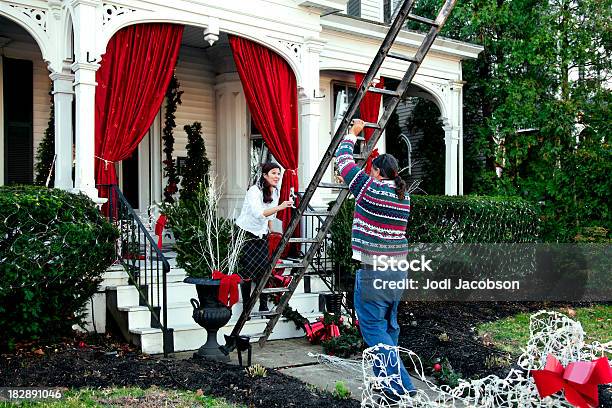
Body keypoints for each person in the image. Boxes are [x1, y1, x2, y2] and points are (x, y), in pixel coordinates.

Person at [335, 119, 417, 400]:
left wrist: (352, 134)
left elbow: (342, 161)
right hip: (397, 271)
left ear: (379, 173)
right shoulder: (403, 196)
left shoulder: (370, 189)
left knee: (372, 329)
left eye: (371, 170)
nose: (368, 173)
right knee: (389, 327)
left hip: (374, 272)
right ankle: (388, 387)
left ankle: (402, 388)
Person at [235, 162, 294, 314]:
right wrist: (281, 207)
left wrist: (270, 231)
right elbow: (259, 213)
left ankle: (263, 305)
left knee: (264, 270)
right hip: (246, 233)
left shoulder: (275, 192)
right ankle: (246, 308)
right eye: (274, 173)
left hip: (261, 235)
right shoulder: (254, 191)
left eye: (278, 173)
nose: (277, 176)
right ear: (265, 175)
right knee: (246, 273)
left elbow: (270, 216)